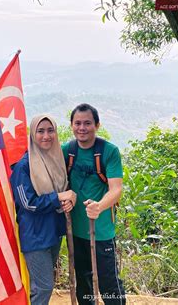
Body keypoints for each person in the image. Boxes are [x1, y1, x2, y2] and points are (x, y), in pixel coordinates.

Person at [62, 103, 126, 305]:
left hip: (102, 230)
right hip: (76, 230)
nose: (82, 128)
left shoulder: (109, 152)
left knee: (108, 283)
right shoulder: (67, 151)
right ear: (72, 125)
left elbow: (116, 189)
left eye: (87, 123)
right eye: (78, 123)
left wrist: (99, 206)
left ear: (97, 125)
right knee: (83, 282)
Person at [10, 115, 77, 305]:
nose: (46, 136)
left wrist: (69, 200)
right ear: (32, 134)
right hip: (35, 235)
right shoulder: (24, 167)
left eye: (50, 130)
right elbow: (28, 203)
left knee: (43, 285)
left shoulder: (56, 161)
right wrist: (58, 198)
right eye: (40, 131)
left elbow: (65, 191)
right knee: (44, 287)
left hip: (54, 232)